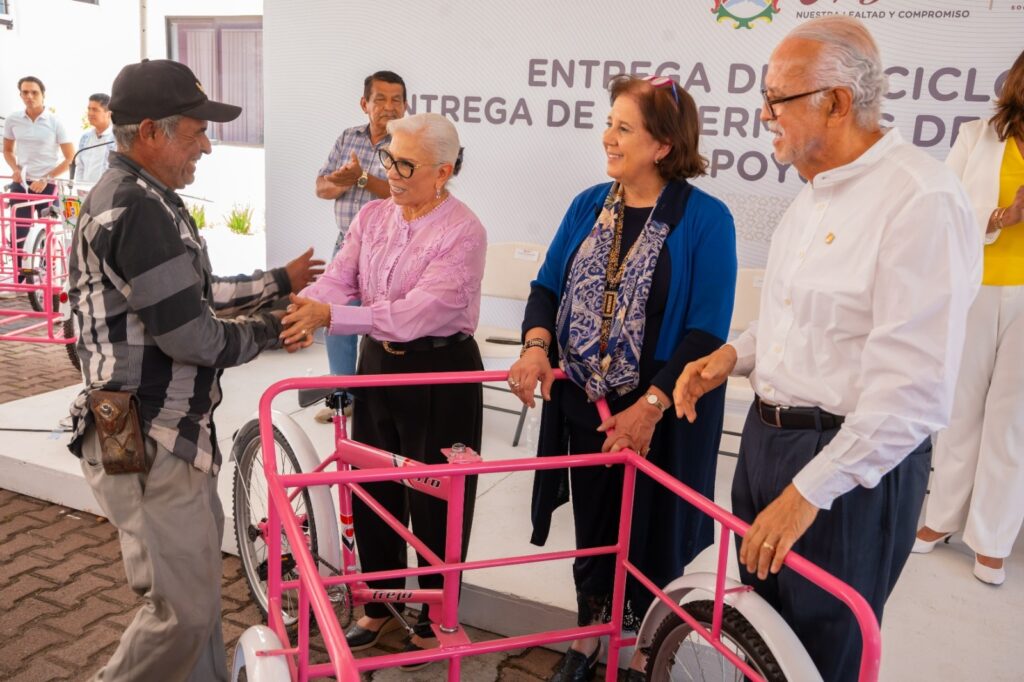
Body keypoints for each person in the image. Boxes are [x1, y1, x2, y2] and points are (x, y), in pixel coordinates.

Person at [672, 16, 981, 682]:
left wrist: (808, 491)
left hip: (846, 471)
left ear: (837, 102)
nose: (764, 115)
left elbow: (914, 392)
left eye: (776, 98)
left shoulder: (921, 200)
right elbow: (801, 319)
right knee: (757, 642)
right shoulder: (813, 194)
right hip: (768, 444)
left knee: (820, 657)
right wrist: (734, 356)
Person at [66, 59, 324, 682]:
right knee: (182, 614)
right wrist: (274, 329)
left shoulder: (141, 196)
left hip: (150, 428)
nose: (207, 146)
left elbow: (194, 294)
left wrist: (277, 282)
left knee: (199, 598)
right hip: (150, 434)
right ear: (151, 132)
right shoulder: (137, 208)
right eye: (197, 131)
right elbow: (192, 335)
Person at [507, 75, 736, 681]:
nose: (607, 137)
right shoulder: (588, 204)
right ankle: (589, 639)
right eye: (609, 123)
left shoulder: (707, 219)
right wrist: (536, 347)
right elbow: (546, 287)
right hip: (586, 404)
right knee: (595, 533)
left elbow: (706, 332)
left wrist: (650, 406)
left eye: (623, 128)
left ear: (663, 144)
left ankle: (643, 653)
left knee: (653, 540)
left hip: (662, 413)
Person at [282, 112, 485, 668]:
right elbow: (339, 278)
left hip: (440, 372)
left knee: (436, 497)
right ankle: (379, 604)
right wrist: (305, 310)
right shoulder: (373, 215)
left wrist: (333, 317)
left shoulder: (463, 231)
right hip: (376, 363)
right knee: (371, 486)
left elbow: (417, 313)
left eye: (406, 164)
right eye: (389, 158)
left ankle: (435, 616)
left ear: (443, 171)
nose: (390, 172)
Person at [913, 49, 1024, 587]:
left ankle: (992, 538)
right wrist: (1004, 215)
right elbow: (945, 208)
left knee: (1012, 421)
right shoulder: (977, 136)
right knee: (962, 408)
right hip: (978, 288)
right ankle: (941, 517)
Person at [313, 70, 407, 422]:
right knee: (337, 318)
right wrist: (342, 181)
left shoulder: (408, 143)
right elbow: (321, 187)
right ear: (364, 104)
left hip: (392, 249)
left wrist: (362, 178)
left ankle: (383, 400)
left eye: (396, 100)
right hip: (346, 244)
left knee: (383, 325)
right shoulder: (347, 137)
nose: (389, 107)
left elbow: (403, 191)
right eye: (380, 99)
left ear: (406, 105)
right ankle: (343, 396)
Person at [2, 76, 74, 279]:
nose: (29, 96)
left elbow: (70, 157)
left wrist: (47, 179)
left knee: (47, 233)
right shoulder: (13, 120)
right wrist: (15, 169)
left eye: (34, 92)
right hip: (22, 183)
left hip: (48, 185)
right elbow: (7, 150)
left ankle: (45, 277)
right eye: (25, 92)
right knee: (19, 231)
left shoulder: (55, 122)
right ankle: (21, 278)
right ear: (20, 95)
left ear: (43, 95)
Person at [74, 92, 114, 184]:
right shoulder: (85, 138)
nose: (90, 113)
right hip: (85, 191)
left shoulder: (116, 139)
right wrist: (80, 187)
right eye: (89, 109)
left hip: (106, 190)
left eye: (95, 110)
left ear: (108, 114)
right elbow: (80, 167)